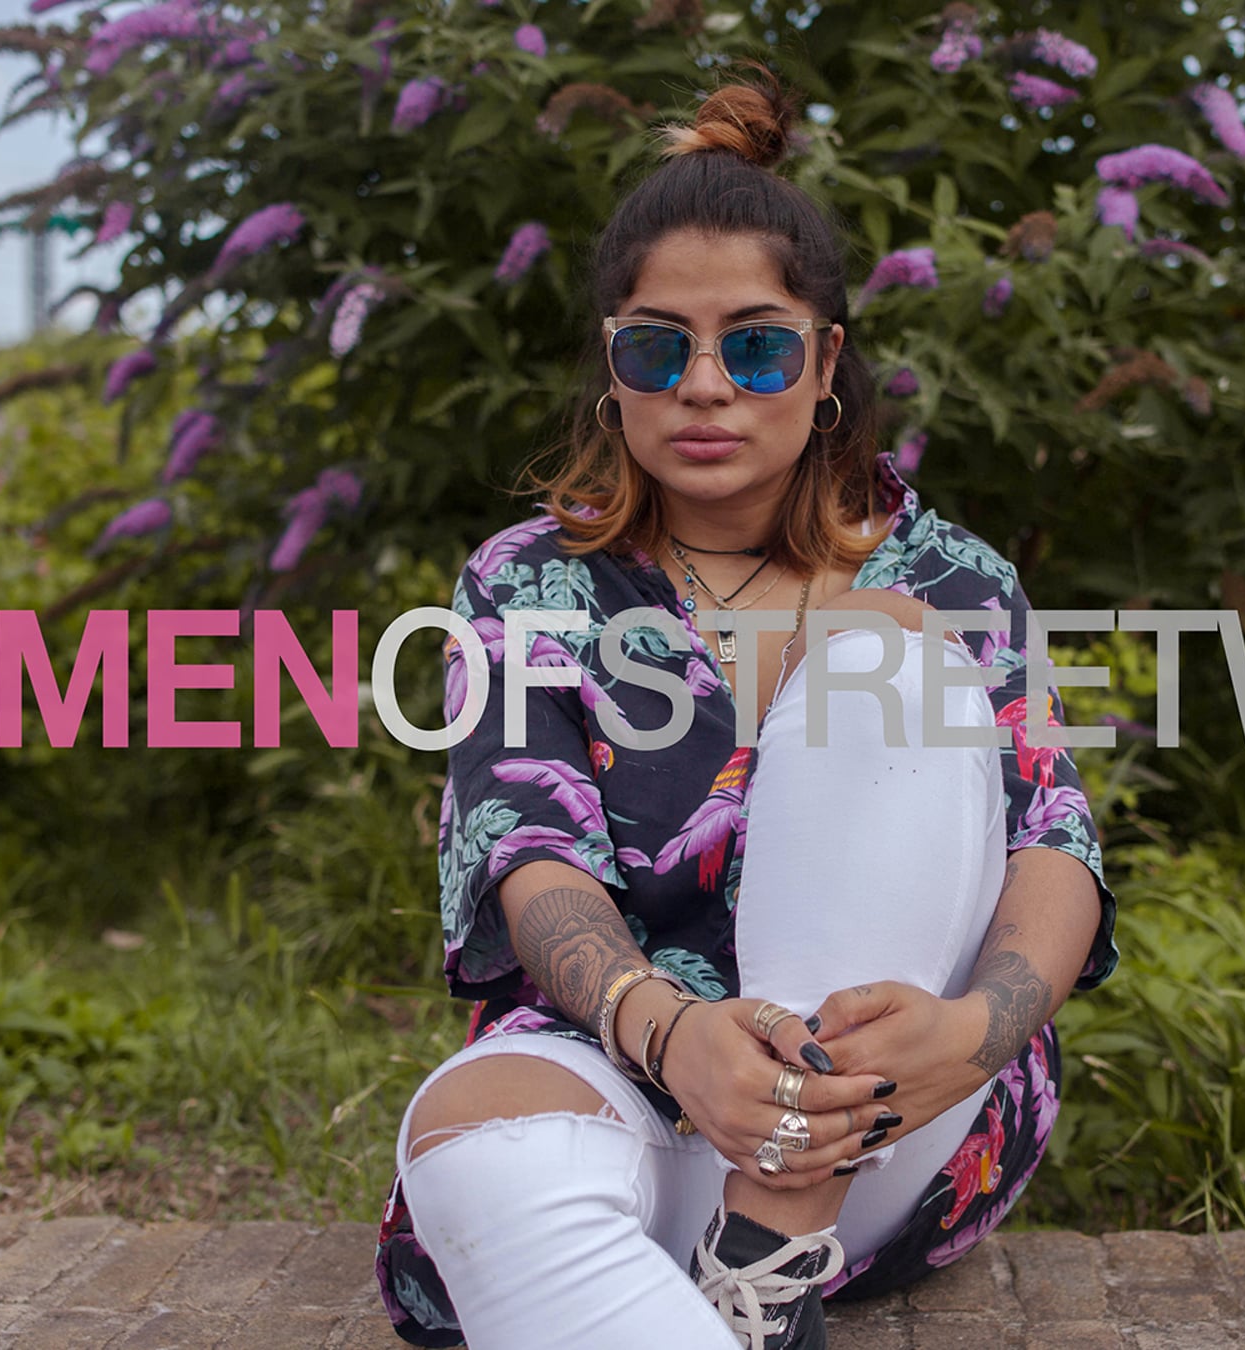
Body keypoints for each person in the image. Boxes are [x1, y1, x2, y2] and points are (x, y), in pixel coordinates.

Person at [372, 65, 1119, 1350]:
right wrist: (672, 1035)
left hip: (885, 1117)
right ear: (614, 371)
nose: (705, 385)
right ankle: (715, 1302)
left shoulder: (948, 579)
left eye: (757, 345)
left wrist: (967, 1033)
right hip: (638, 1067)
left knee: (881, 651)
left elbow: (1056, 842)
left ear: (826, 364)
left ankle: (772, 1243)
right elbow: (526, 851)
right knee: (469, 1146)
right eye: (658, 347)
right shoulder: (527, 583)